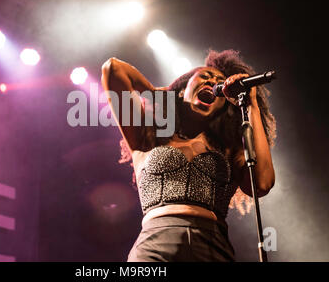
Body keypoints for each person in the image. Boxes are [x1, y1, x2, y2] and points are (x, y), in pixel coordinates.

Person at [100, 49, 276, 262]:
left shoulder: (228, 146)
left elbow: (262, 184)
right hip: (155, 243)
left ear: (222, 105)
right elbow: (113, 69)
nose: (212, 81)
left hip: (213, 244)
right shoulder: (148, 132)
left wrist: (251, 105)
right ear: (182, 90)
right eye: (204, 76)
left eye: (219, 81)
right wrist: (164, 97)